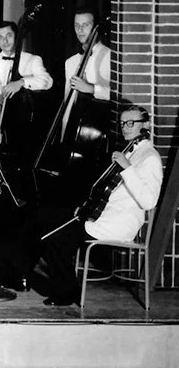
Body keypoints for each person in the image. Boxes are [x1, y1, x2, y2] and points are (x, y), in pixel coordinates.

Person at [28, 105, 161, 307]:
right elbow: (105, 191)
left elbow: (149, 201)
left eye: (131, 123)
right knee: (44, 217)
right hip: (102, 216)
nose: (125, 127)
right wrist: (84, 208)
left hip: (118, 224)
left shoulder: (149, 157)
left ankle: (66, 292)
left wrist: (127, 168)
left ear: (146, 125)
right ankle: (23, 274)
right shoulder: (130, 150)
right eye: (123, 123)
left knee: (57, 239)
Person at [0, 20, 53, 145]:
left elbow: (47, 81)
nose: (5, 41)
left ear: (17, 36)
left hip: (24, 127)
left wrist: (22, 82)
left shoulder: (32, 60)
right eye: (0, 37)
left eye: (9, 36)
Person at [62, 10, 112, 118]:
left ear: (95, 28)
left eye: (85, 25)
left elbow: (118, 95)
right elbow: (68, 105)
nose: (80, 30)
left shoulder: (109, 56)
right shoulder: (70, 62)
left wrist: (91, 89)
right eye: (77, 25)